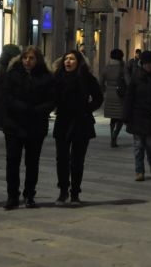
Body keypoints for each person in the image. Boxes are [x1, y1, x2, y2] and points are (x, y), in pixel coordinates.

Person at [1, 46, 54, 209]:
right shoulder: (12, 75)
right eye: (25, 58)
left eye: (31, 58)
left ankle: (29, 195)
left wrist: (37, 110)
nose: (28, 61)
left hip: (35, 125)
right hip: (14, 124)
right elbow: (6, 97)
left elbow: (52, 100)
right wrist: (22, 107)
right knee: (12, 161)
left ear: (37, 60)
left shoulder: (46, 77)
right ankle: (12, 196)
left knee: (32, 162)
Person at [52, 50, 103, 205]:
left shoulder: (86, 78)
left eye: (72, 59)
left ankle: (75, 192)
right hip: (63, 121)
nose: (68, 61)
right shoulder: (58, 77)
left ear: (78, 62)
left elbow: (98, 98)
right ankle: (62, 191)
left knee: (77, 160)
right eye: (66, 58)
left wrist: (87, 109)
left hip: (81, 122)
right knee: (61, 159)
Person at [124, 50, 151, 181]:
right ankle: (139, 171)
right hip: (138, 115)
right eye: (146, 63)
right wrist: (126, 114)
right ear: (142, 64)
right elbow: (129, 97)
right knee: (138, 146)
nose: (148, 66)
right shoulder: (136, 78)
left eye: (150, 63)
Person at [100, 49, 126, 148]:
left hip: (109, 94)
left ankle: (112, 136)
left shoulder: (106, 68)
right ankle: (115, 135)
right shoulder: (122, 68)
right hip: (120, 95)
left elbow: (100, 82)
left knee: (112, 118)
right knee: (120, 117)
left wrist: (104, 91)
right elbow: (128, 81)